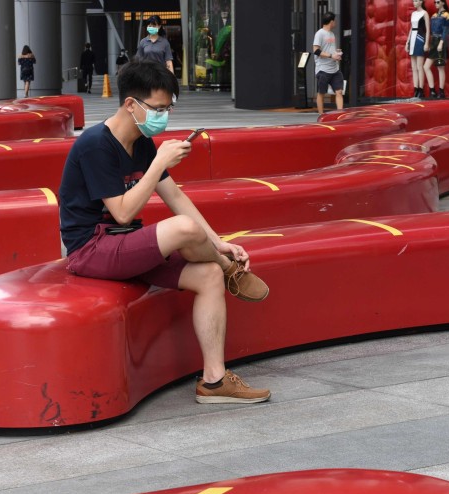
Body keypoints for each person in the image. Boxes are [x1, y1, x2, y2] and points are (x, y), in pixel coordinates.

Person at [58, 61, 271, 405]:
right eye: (157, 109)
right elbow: (123, 211)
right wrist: (159, 163)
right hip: (92, 248)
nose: (164, 116)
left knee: (209, 276)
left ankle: (215, 382)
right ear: (130, 104)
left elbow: (176, 197)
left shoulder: (142, 141)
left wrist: (220, 243)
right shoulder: (96, 144)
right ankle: (233, 272)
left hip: (124, 242)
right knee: (184, 230)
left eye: (168, 108)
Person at [312, 12, 344, 115]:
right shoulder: (319, 33)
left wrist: (336, 54)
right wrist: (331, 56)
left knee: (339, 92)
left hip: (334, 69)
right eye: (334, 21)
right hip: (323, 70)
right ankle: (321, 116)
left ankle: (340, 115)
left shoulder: (332, 34)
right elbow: (316, 50)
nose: (335, 22)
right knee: (321, 93)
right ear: (331, 21)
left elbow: (330, 49)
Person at [423, 0, 449, 99]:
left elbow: (446, 30)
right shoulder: (434, 15)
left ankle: (441, 92)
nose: (436, 4)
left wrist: (442, 42)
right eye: (435, 2)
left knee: (440, 67)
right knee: (426, 66)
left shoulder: (446, 15)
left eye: (438, 2)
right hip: (434, 41)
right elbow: (431, 30)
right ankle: (432, 91)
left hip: (440, 41)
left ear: (443, 3)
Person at [406, 0, 431, 99]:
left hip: (420, 38)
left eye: (416, 1)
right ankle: (415, 89)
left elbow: (428, 30)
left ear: (421, 2)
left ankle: (421, 90)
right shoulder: (413, 14)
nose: (414, 2)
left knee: (420, 66)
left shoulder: (425, 13)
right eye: (413, 1)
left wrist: (426, 43)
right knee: (414, 68)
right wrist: (407, 42)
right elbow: (411, 28)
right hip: (412, 38)